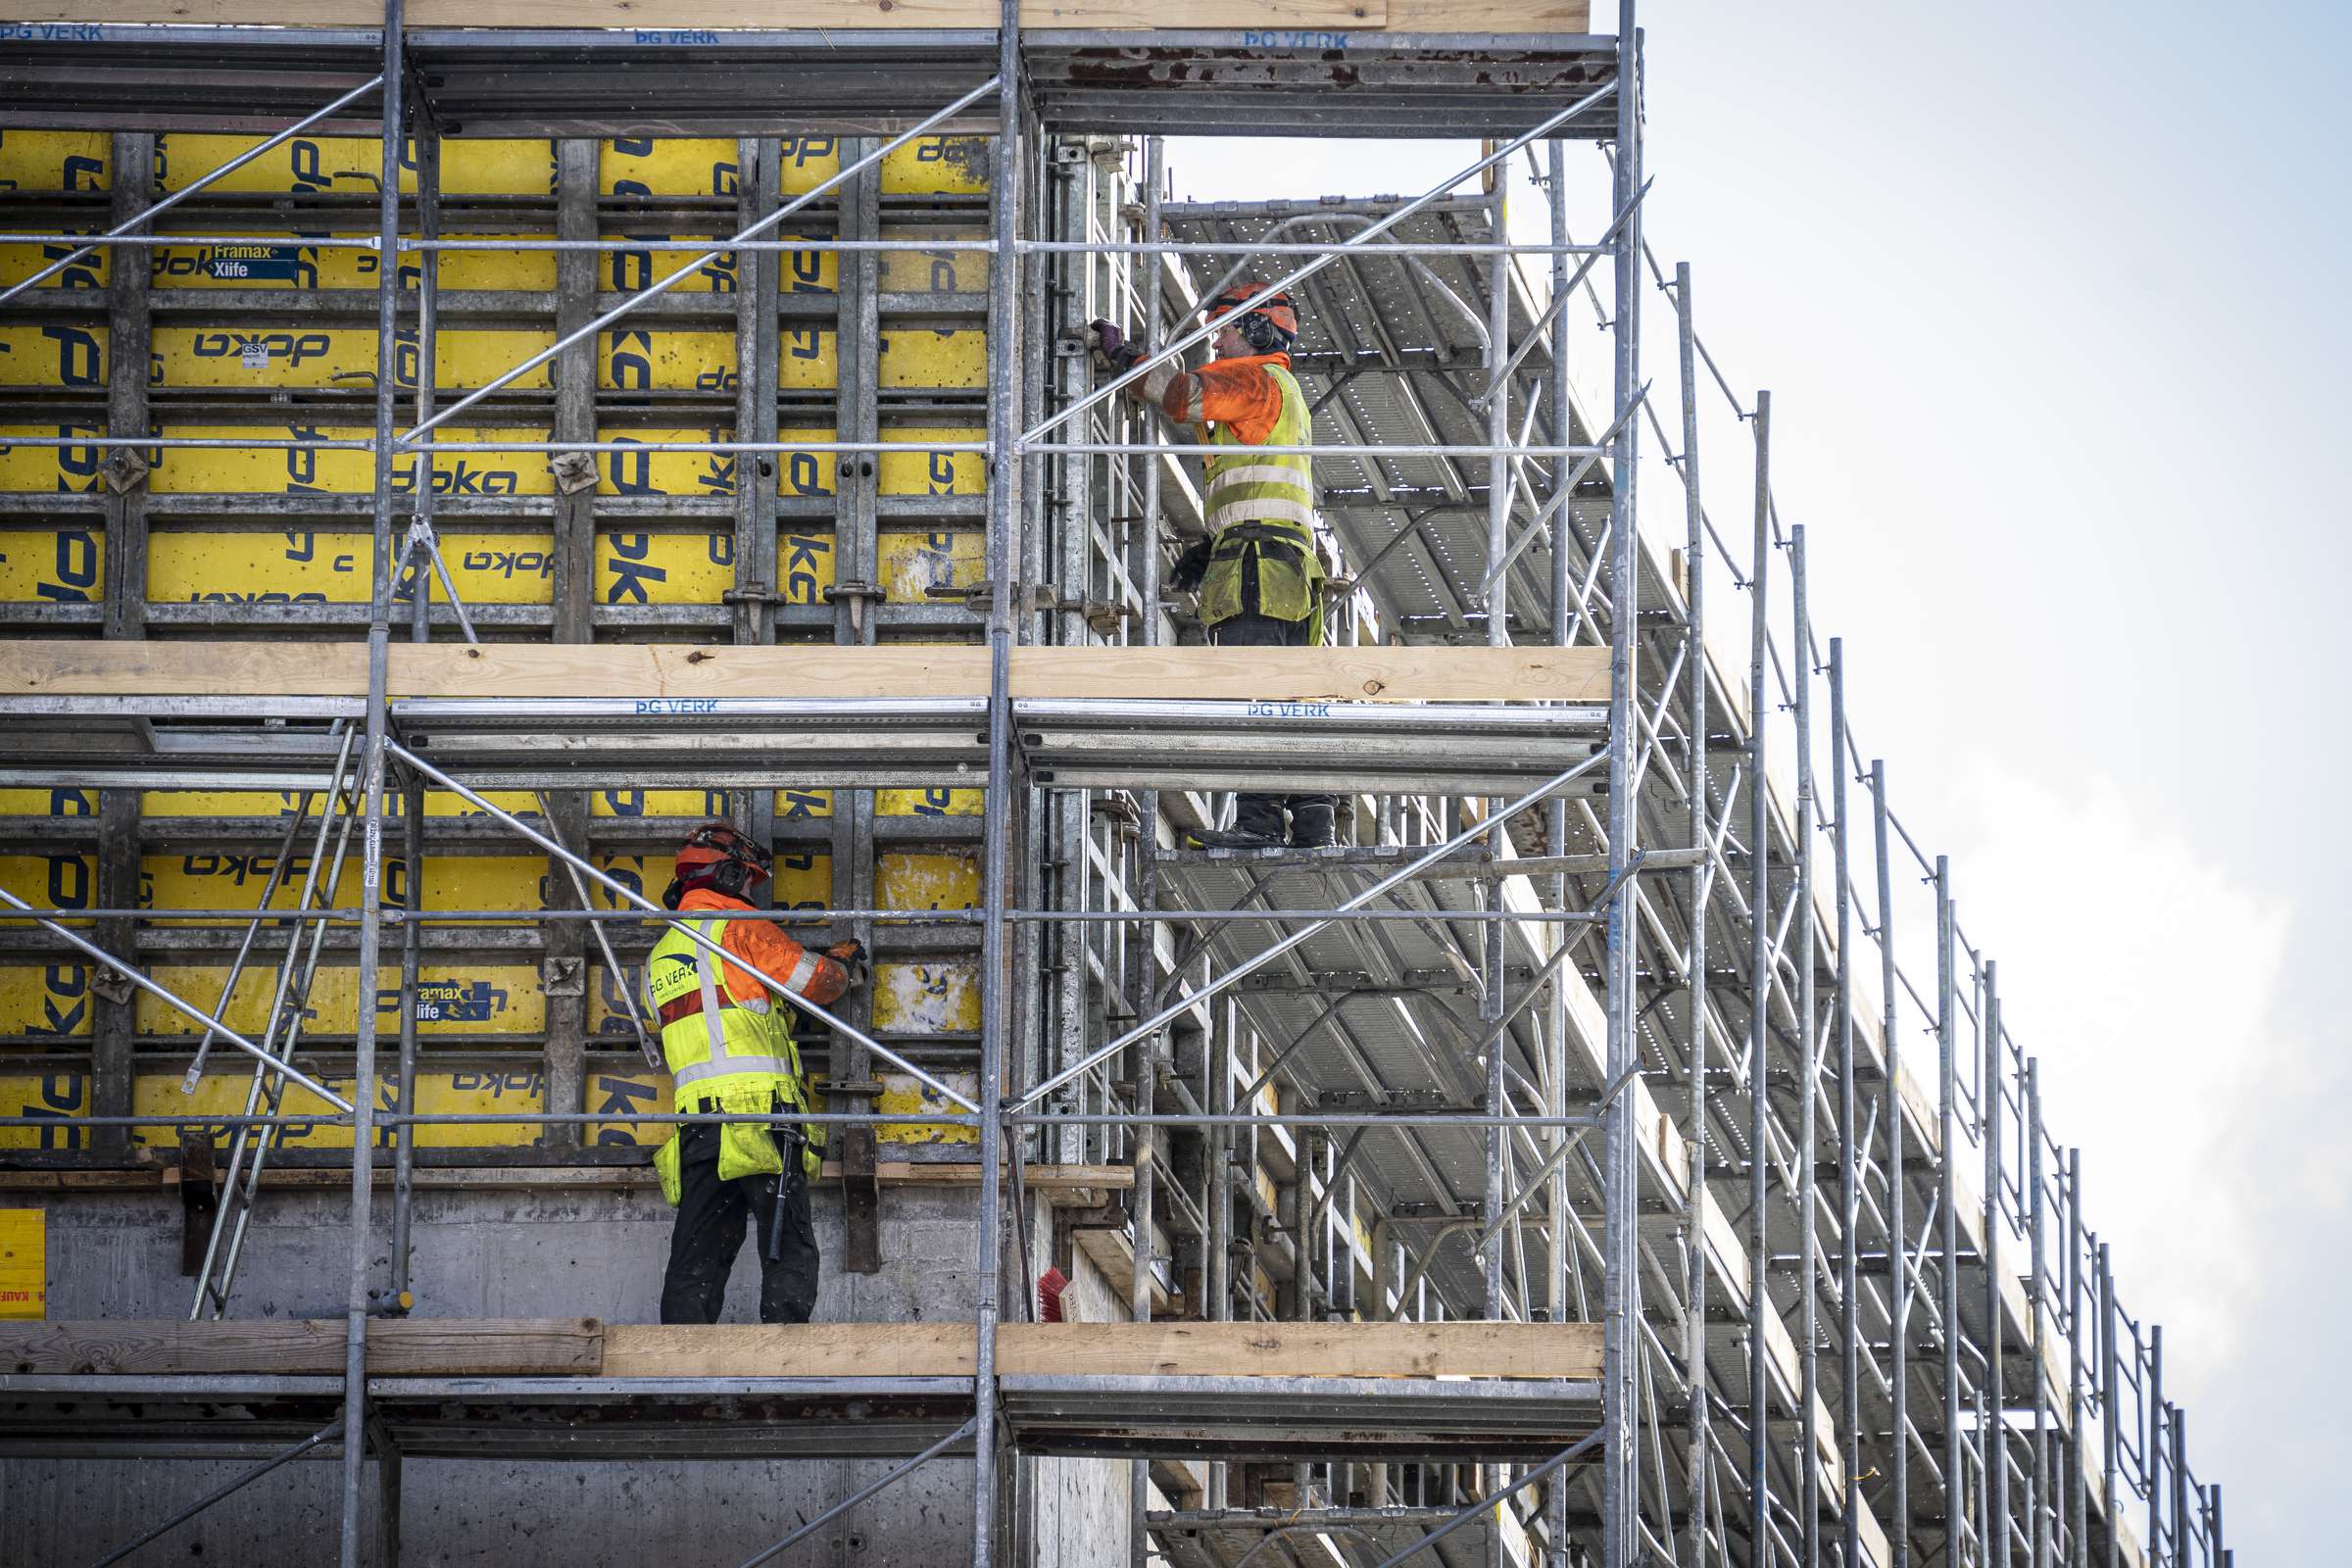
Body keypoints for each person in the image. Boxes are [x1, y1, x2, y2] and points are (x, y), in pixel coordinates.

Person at [1090, 280, 1335, 850]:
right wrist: (1213, 540)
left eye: (1222, 331)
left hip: (1256, 569)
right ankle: (1314, 823)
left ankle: (1259, 826)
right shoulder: (1277, 391)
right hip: (1281, 567)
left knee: (1252, 693)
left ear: (1251, 330)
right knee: (1290, 697)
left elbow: (1183, 396)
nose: (1215, 344)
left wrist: (1126, 358)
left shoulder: (1255, 379)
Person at [644, 821, 865, 1324]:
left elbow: (726, 1015)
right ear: (726, 876)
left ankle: (681, 1359)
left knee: (698, 1251)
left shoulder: (658, 957)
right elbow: (818, 984)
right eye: (747, 880)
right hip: (762, 1115)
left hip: (699, 1126)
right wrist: (841, 966)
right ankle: (782, 1363)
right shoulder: (741, 929)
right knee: (785, 1240)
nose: (751, 891)